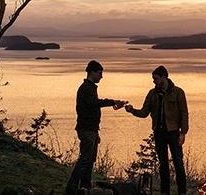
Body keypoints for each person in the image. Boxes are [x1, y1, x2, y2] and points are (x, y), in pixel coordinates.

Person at [64, 60, 127, 195]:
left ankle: (85, 187)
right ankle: (72, 188)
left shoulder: (89, 88)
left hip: (91, 129)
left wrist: (96, 132)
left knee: (89, 160)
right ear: (92, 72)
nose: (101, 76)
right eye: (99, 73)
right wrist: (112, 102)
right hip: (86, 129)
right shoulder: (86, 88)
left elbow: (92, 107)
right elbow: (94, 103)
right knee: (85, 160)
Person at [125, 65, 189, 195]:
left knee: (178, 162)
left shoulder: (178, 92)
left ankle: (182, 191)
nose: (154, 81)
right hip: (159, 132)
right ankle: (164, 192)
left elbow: (184, 113)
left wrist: (183, 133)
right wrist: (132, 111)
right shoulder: (152, 94)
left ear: (163, 78)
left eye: (156, 79)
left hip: (174, 132)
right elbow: (144, 112)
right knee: (163, 163)